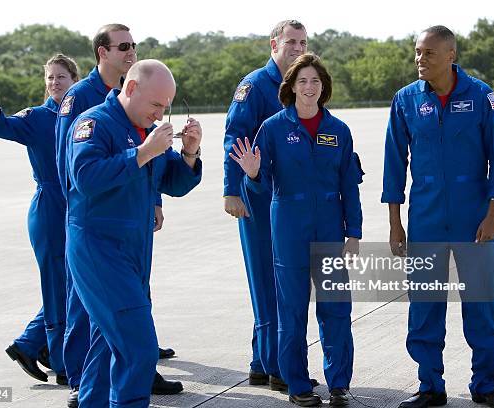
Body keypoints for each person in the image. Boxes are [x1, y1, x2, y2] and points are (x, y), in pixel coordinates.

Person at [381, 26, 494, 408]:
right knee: (424, 305)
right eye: (417, 53)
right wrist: (395, 222)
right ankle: (429, 386)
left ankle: (486, 385)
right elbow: (394, 164)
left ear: (451, 54)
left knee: (481, 305)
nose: (421, 59)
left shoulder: (481, 96)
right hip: (425, 218)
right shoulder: (405, 100)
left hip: (475, 219)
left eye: (429, 53)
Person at [65, 59, 202, 408]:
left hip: (135, 249)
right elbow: (87, 177)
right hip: (99, 249)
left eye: (166, 107)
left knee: (106, 343)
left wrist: (188, 153)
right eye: (156, 105)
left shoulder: (145, 129)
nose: (160, 114)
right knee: (139, 346)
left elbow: (172, 181)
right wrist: (142, 153)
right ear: (130, 89)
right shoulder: (94, 123)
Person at [231, 53, 363, 407]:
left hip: (331, 228)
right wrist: (254, 174)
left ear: (324, 87)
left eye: (316, 81)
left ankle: (339, 384)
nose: (309, 87)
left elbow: (350, 184)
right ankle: (298, 384)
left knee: (336, 308)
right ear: (290, 87)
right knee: (290, 310)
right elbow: (258, 188)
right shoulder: (273, 128)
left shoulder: (339, 130)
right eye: (302, 81)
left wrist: (355, 231)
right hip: (288, 227)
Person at [0, 54, 79, 385]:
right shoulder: (37, 118)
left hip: (80, 207)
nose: (55, 82)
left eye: (61, 77)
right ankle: (61, 363)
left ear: (75, 81)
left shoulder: (86, 115)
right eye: (49, 78)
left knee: (78, 285)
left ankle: (33, 345)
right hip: (49, 211)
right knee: (59, 287)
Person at [223, 19, 311, 391]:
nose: (296, 47)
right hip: (257, 198)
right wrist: (232, 190)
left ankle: (263, 361)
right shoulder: (256, 86)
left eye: (303, 42)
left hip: (288, 200)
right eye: (290, 41)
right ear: (273, 44)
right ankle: (278, 367)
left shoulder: (301, 84)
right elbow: (234, 137)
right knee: (267, 281)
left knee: (283, 281)